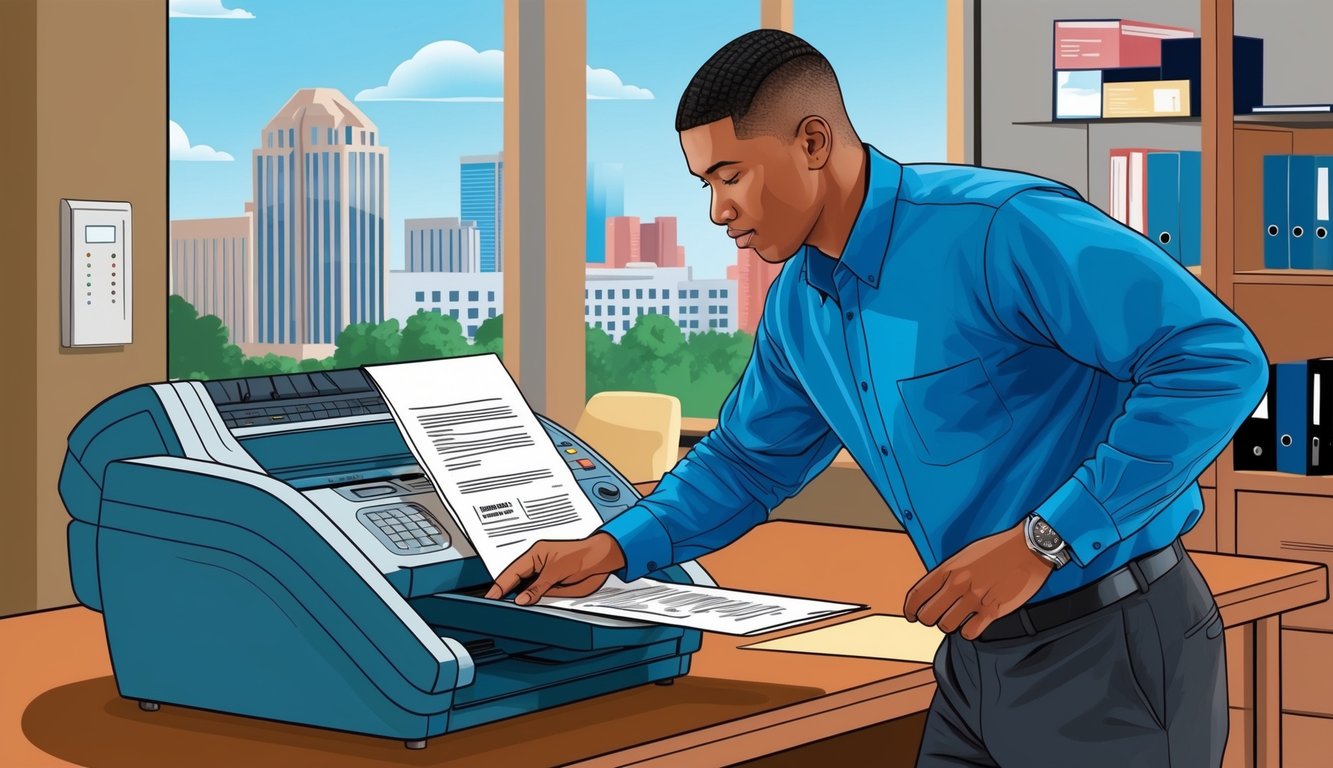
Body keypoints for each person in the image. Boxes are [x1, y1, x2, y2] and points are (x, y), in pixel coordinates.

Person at [486, 29, 1267, 767]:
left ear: (813, 142)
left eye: (729, 177)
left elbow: (1215, 360)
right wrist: (613, 548)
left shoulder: (998, 227)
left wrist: (1043, 541)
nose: (718, 211)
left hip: (1112, 651)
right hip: (974, 658)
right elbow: (747, 464)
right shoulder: (799, 304)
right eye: (705, 184)